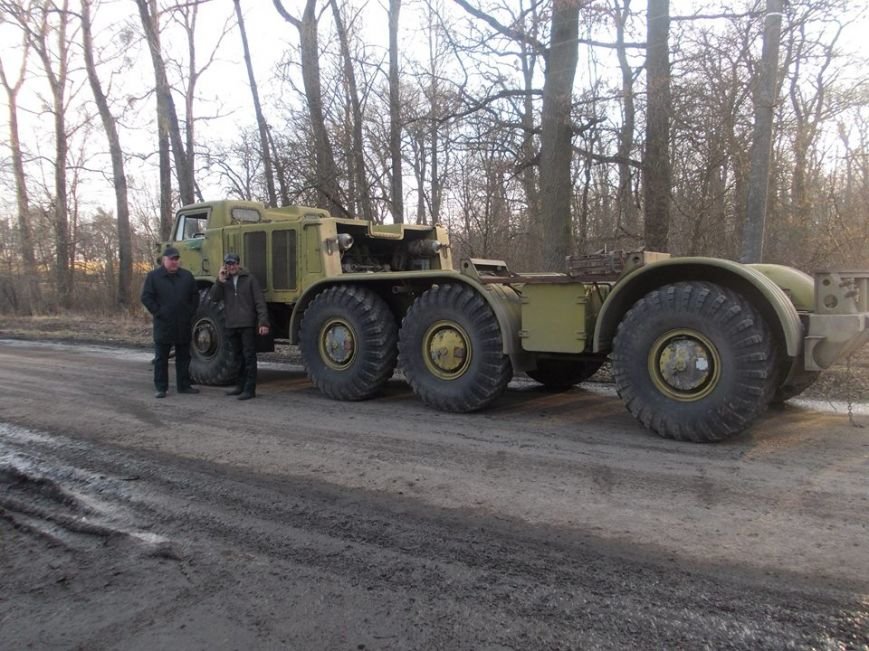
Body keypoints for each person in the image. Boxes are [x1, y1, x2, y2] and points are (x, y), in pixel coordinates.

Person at [141, 246, 200, 398]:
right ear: (164, 260)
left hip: (183, 323)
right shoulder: (154, 277)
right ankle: (161, 387)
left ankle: (184, 385)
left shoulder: (187, 276)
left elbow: (195, 296)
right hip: (164, 324)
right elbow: (146, 297)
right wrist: (159, 312)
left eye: (176, 259)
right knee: (161, 358)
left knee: (184, 357)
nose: (174, 262)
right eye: (171, 259)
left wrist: (189, 312)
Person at [209, 253, 270, 400]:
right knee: (236, 357)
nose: (231, 267)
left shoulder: (249, 279)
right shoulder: (224, 281)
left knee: (249, 357)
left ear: (238, 264)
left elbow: (259, 302)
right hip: (231, 324)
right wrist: (219, 280)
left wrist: (263, 322)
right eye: (228, 264)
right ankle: (240, 386)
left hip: (247, 324)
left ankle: (249, 389)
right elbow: (214, 297)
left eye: (234, 263)